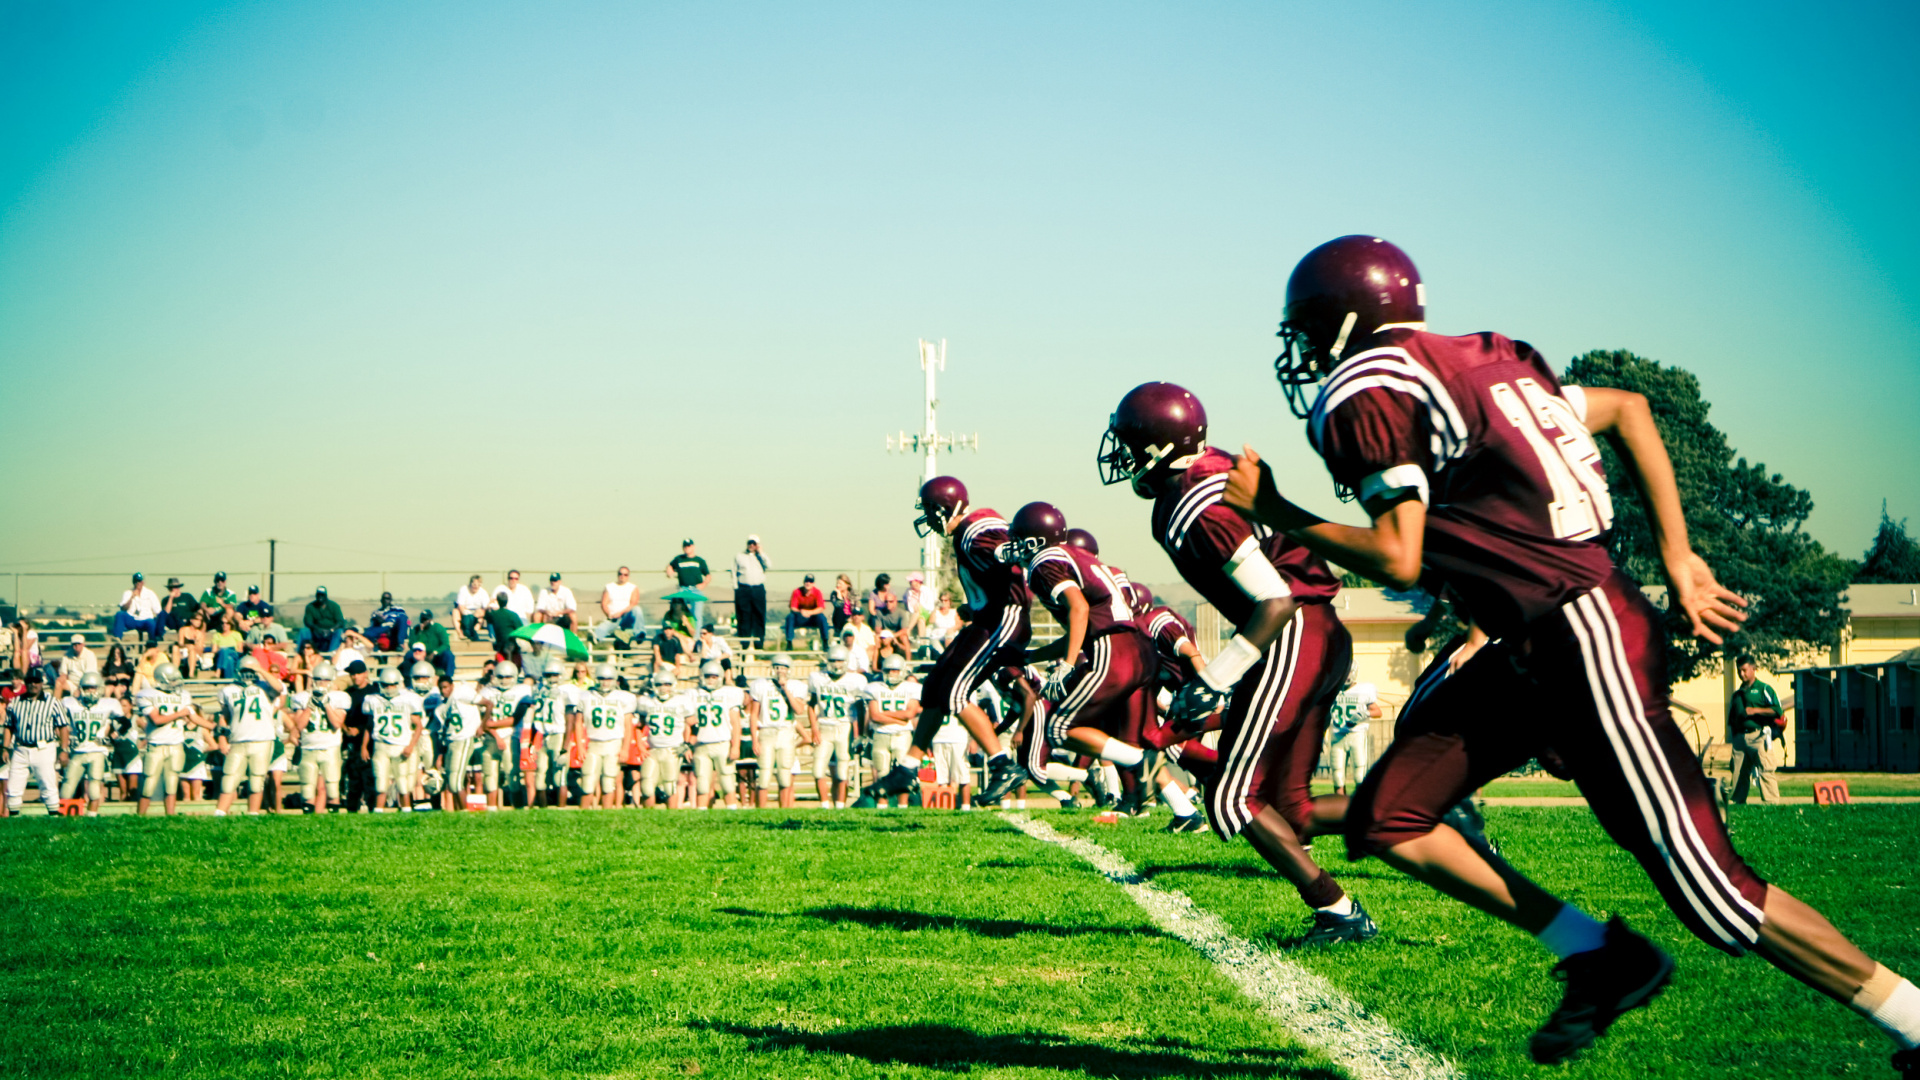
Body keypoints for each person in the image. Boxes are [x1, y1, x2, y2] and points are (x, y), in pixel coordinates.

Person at [1224, 234, 1920, 1070]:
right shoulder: (1492, 359)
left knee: (1716, 899)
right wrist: (1677, 553)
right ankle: (1600, 954)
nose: (1301, 353)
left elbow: (1400, 554)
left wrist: (1281, 511)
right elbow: (1627, 406)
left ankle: (1914, 1017)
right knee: (1390, 817)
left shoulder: (1366, 386)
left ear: (1337, 324)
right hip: (1535, 639)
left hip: (1579, 632)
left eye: (1305, 331)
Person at [1099, 382, 1377, 944]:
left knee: (1230, 796)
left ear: (1155, 447)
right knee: (1291, 808)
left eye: (1129, 442)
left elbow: (1273, 601)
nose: (1120, 454)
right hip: (1317, 630)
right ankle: (1430, 819)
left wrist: (1214, 678)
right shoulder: (1205, 475)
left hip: (1291, 630)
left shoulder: (1194, 504)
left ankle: (1339, 912)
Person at [865, 478, 1029, 806]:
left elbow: (1003, 548)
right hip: (986, 618)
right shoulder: (969, 528)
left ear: (945, 507)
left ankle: (1003, 765)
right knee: (935, 687)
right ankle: (908, 768)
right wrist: (975, 604)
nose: (927, 517)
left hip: (1003, 620)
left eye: (929, 509)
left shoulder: (974, 529)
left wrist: (1012, 551)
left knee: (955, 693)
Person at [1004, 501, 1159, 816]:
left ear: (1034, 540)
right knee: (1121, 735)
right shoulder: (1081, 557)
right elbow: (1081, 625)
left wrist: (1067, 663)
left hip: (1112, 648)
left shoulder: (1044, 563)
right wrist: (1035, 653)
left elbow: (1079, 609)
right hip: (1136, 648)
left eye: (1020, 539)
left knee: (1061, 728)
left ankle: (1142, 761)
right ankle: (1174, 808)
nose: (1016, 547)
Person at [215, 658, 284, 816]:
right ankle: (219, 813)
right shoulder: (229, 690)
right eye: (245, 671)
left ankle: (253, 814)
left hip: (262, 739)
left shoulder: (265, 686)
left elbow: (279, 687)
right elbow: (224, 716)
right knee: (229, 779)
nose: (247, 675)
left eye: (250, 671)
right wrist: (221, 738)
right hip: (237, 740)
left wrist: (260, 670)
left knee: (256, 780)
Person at [135, 663, 202, 816]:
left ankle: (170, 816)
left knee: (172, 783)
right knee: (149, 783)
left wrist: (212, 725)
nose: (176, 683)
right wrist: (179, 714)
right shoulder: (148, 694)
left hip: (176, 745)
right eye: (172, 680)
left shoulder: (182, 695)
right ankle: (140, 816)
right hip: (156, 744)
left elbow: (194, 716)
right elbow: (157, 720)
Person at [4, 671, 68, 815]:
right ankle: (14, 821)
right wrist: (5, 748)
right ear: (25, 683)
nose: (33, 684)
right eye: (31, 681)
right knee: (14, 785)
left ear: (42, 683)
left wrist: (64, 749)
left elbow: (63, 727)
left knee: (48, 783)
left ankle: (54, 818)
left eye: (37, 681)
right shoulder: (15, 702)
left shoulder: (52, 702)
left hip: (43, 748)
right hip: (20, 748)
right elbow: (9, 726)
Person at [862, 654, 921, 809]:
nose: (892, 674)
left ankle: (903, 807)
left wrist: (884, 715)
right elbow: (874, 716)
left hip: (902, 736)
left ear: (902, 671)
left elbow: (910, 714)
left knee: (904, 774)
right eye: (889, 670)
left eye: (895, 670)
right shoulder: (874, 688)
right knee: (882, 772)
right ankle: (882, 807)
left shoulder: (911, 688)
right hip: (881, 734)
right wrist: (898, 719)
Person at [808, 649, 864, 808]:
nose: (836, 664)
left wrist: (859, 734)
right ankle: (825, 806)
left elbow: (860, 709)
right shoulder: (818, 678)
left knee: (842, 771)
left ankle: (840, 807)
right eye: (833, 660)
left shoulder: (855, 680)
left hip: (844, 727)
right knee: (818, 770)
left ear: (846, 662)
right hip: (824, 726)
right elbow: (811, 706)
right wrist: (814, 729)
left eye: (840, 661)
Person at [362, 666, 423, 812]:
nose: (389, 688)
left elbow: (419, 726)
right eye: (386, 685)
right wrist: (364, 746)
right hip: (381, 745)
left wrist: (410, 746)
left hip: (400, 746)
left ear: (398, 684)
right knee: (381, 782)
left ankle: (406, 810)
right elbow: (369, 725)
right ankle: (378, 811)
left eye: (392, 685)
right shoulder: (373, 700)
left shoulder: (407, 699)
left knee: (403, 782)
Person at [1728, 654, 1784, 806]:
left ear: (1754, 669)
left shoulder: (1764, 689)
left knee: (1766, 768)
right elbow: (1732, 718)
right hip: (1740, 738)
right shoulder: (1737, 694)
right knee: (1738, 772)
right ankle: (1738, 802)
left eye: (1745, 670)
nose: (1741, 674)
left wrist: (1755, 711)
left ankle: (1771, 803)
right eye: (1739, 671)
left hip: (1759, 735)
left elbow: (1778, 710)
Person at [291, 661, 347, 813]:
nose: (322, 683)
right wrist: (311, 705)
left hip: (330, 746)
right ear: (313, 680)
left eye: (326, 680)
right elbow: (299, 725)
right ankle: (309, 818)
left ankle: (333, 816)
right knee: (308, 785)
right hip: (309, 746)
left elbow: (337, 723)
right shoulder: (302, 698)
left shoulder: (339, 697)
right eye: (318, 680)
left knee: (332, 784)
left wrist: (326, 704)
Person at [61, 672, 120, 815]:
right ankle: (63, 818)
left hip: (97, 751)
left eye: (94, 687)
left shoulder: (108, 704)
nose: (91, 691)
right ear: (81, 688)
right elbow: (58, 723)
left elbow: (124, 723)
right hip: (78, 751)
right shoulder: (70, 703)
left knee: (94, 786)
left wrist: (111, 738)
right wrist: (65, 740)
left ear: (100, 688)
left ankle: (91, 817)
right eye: (87, 688)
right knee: (67, 786)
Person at [746, 658, 802, 808]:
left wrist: (785, 689)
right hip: (766, 731)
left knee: (785, 775)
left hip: (786, 731)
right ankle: (761, 811)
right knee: (764, 775)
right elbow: (754, 714)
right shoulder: (761, 685)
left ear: (789, 670)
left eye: (783, 668)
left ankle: (783, 811)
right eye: (777, 667)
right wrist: (754, 739)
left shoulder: (795, 686)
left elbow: (799, 709)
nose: (780, 671)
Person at [688, 660, 744, 809]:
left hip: (722, 743)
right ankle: (701, 813)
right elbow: (687, 722)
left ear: (720, 677)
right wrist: (688, 744)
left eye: (714, 676)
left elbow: (736, 723)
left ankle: (732, 811)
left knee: (727, 781)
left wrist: (735, 746)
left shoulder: (729, 693)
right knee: (702, 783)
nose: (711, 680)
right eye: (707, 676)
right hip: (701, 744)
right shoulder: (693, 694)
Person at [578, 664, 635, 809]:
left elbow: (628, 726)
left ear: (615, 680)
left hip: (613, 743)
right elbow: (578, 723)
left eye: (608, 679)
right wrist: (580, 746)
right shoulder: (585, 696)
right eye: (602, 678)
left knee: (609, 783)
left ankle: (606, 814)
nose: (605, 682)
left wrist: (625, 748)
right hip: (593, 743)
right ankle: (582, 817)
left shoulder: (623, 697)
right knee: (588, 782)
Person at [636, 670, 691, 808]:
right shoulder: (647, 702)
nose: (663, 688)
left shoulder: (681, 701)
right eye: (660, 684)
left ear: (673, 685)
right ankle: (648, 816)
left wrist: (687, 744)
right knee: (647, 785)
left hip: (672, 749)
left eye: (667, 684)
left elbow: (691, 724)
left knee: (669, 786)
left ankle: (671, 816)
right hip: (653, 750)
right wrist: (641, 746)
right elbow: (638, 726)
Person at [1328, 671, 1381, 797]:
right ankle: (1340, 807)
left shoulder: (1363, 690)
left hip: (1356, 734)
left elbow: (1378, 712)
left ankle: (1359, 807)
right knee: (1337, 775)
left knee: (1359, 774)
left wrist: (1365, 714)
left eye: (1348, 673)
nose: (1346, 676)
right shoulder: (1333, 689)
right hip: (1337, 735)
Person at [732, 537, 769, 648]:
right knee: (744, 616)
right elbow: (734, 572)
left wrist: (761, 553)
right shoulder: (739, 556)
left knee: (759, 615)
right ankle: (744, 643)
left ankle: (759, 643)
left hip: (758, 589)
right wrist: (736, 588)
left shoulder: (761, 557)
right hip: (743, 589)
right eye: (750, 543)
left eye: (754, 543)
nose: (752, 545)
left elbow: (769, 565)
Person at [666, 540, 712, 629]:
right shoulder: (679, 559)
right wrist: (669, 570)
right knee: (680, 612)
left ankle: (696, 637)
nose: (687, 548)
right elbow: (670, 566)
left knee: (697, 615)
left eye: (689, 546)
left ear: (693, 547)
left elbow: (708, 575)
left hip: (696, 590)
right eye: (685, 546)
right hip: (683, 589)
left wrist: (703, 584)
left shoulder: (699, 561)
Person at [111, 572, 165, 642]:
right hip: (132, 619)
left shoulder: (150, 593)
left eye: (139, 581)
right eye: (136, 581)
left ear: (143, 582)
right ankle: (117, 638)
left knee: (152, 623)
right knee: (120, 614)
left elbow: (158, 610)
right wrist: (131, 597)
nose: (138, 583)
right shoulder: (128, 592)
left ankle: (152, 643)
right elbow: (123, 608)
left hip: (146, 619)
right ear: (133, 582)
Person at [784, 574, 832, 651]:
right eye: (806, 581)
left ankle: (825, 642)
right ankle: (789, 643)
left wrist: (809, 612)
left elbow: (821, 608)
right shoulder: (796, 591)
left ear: (813, 584)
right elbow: (793, 607)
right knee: (790, 617)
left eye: (810, 581)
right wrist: (801, 612)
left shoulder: (817, 592)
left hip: (813, 618)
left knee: (822, 618)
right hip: (800, 617)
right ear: (803, 582)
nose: (808, 583)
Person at [595, 567, 642, 646]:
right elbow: (604, 604)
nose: (622, 576)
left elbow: (633, 603)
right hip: (613, 617)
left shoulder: (633, 587)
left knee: (637, 609)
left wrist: (620, 613)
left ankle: (640, 634)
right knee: (604, 626)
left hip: (626, 617)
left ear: (628, 576)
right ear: (617, 575)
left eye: (625, 574)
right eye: (620, 574)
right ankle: (596, 637)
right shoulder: (609, 587)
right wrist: (609, 613)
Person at [408, 609, 455, 678]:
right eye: (422, 620)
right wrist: (420, 633)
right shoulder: (416, 629)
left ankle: (448, 677)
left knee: (449, 655)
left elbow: (445, 644)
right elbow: (411, 644)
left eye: (426, 620)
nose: (424, 622)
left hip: (436, 655)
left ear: (430, 620)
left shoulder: (438, 627)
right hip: (421, 653)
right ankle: (409, 677)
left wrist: (434, 653)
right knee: (409, 655)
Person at [301, 587, 347, 652]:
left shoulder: (334, 606)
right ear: (316, 596)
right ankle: (302, 653)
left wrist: (331, 630)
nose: (320, 597)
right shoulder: (310, 606)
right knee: (304, 630)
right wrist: (317, 629)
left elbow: (340, 622)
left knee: (339, 631)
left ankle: (331, 654)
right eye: (318, 595)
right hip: (316, 631)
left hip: (332, 631)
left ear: (326, 596)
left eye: (322, 595)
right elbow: (308, 622)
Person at [485, 592, 524, 661]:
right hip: (513, 648)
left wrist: (489, 604)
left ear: (497, 601)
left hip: (500, 648)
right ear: (507, 601)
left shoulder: (494, 615)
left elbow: (486, 615)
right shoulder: (513, 615)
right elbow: (521, 630)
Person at [455, 575, 492, 641]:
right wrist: (465, 613)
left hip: (476, 613)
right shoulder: (463, 589)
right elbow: (460, 605)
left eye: (478, 584)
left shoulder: (483, 592)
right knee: (455, 612)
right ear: (470, 583)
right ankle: (460, 634)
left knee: (481, 612)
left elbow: (486, 607)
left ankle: (473, 631)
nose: (476, 586)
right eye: (474, 584)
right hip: (464, 612)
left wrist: (479, 613)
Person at [827, 574, 857, 638]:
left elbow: (857, 607)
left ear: (847, 585)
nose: (838, 585)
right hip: (839, 618)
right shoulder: (834, 594)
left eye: (840, 584)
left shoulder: (853, 594)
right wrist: (840, 597)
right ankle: (837, 633)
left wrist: (852, 617)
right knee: (839, 610)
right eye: (837, 583)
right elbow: (837, 606)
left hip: (851, 616)